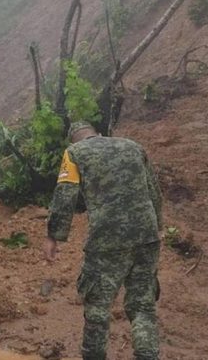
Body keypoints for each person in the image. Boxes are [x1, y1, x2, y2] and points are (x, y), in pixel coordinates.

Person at [43, 121, 163, 360]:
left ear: (73, 140)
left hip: (107, 239)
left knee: (97, 307)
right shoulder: (133, 146)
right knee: (142, 306)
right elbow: (154, 192)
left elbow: (65, 197)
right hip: (146, 236)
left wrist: (53, 237)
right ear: (98, 134)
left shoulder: (74, 153)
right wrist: (156, 227)